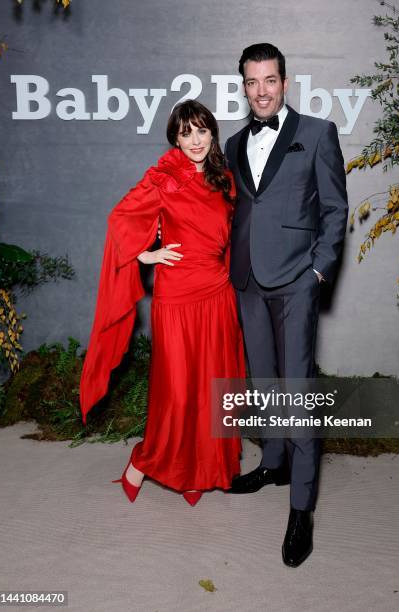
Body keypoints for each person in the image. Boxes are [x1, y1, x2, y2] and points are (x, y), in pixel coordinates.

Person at [79, 100, 245, 507]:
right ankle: (144, 462)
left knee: (212, 389)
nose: (195, 140)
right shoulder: (163, 177)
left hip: (217, 295)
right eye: (185, 132)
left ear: (212, 133)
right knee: (177, 392)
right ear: (175, 137)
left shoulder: (225, 179)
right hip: (175, 296)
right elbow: (120, 219)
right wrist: (145, 255)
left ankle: (200, 472)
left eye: (201, 130)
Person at [225, 43, 348, 566]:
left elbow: (336, 208)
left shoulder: (317, 133)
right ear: (244, 86)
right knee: (263, 381)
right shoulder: (232, 143)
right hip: (248, 280)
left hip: (297, 280)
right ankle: (273, 461)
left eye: (269, 80)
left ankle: (302, 509)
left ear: (285, 81)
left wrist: (317, 272)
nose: (261, 91)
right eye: (251, 82)